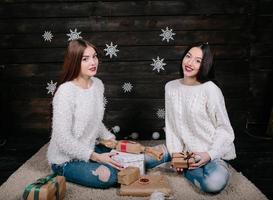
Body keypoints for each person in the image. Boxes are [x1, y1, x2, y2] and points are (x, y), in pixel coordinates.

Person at [47, 39, 168, 189]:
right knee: (108, 175)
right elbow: (62, 139)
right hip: (66, 159)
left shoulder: (97, 84)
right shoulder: (65, 92)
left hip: (90, 148)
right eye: (85, 59)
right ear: (74, 62)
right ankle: (137, 165)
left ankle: (169, 152)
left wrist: (111, 140)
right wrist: (97, 156)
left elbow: (94, 122)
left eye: (95, 56)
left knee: (131, 155)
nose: (93, 62)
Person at [165, 42, 236, 193]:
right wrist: (176, 155)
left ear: (205, 65)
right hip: (184, 151)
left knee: (213, 183)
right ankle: (188, 168)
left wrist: (209, 154)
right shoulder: (170, 87)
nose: (190, 63)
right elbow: (171, 126)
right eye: (188, 56)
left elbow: (224, 128)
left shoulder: (210, 90)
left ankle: (192, 170)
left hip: (210, 152)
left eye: (198, 61)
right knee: (141, 159)